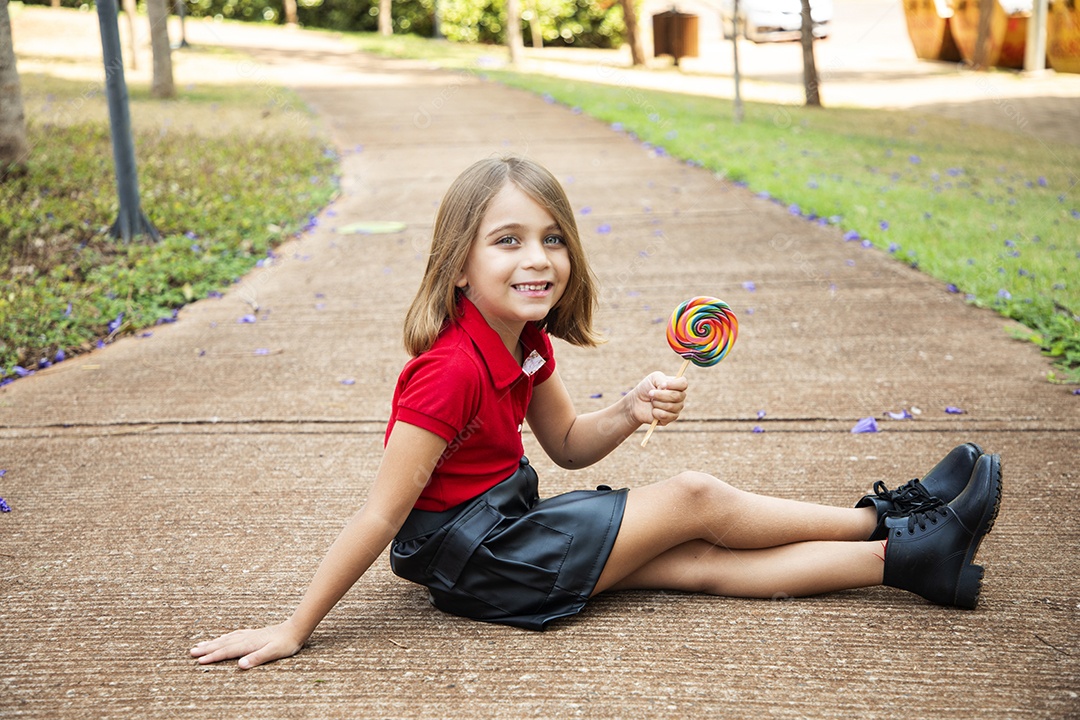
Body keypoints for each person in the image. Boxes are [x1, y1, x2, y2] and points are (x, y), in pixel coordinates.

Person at [191, 155, 1002, 669]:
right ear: (458, 266)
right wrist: (295, 628)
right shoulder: (448, 372)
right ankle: (889, 520)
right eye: (507, 240)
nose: (538, 258)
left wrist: (629, 407)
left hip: (506, 536)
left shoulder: (526, 344)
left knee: (699, 561)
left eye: (553, 238)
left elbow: (570, 447)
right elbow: (381, 515)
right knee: (694, 498)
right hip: (484, 558)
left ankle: (907, 561)